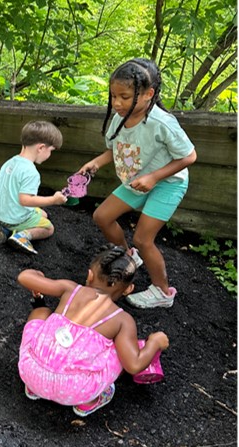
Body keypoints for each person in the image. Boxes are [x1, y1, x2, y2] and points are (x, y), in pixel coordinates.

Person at [77, 58, 199, 309]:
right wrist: (97, 163)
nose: (117, 103)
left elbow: (189, 156)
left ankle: (163, 292)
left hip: (167, 183)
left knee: (144, 239)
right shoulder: (119, 117)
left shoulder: (162, 123)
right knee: (102, 216)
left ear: (149, 94)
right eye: (113, 96)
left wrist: (154, 177)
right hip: (137, 180)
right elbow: (114, 150)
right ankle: (129, 257)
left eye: (124, 96)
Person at [16, 246, 170, 416]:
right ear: (128, 289)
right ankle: (89, 401)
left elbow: (24, 277)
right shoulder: (122, 320)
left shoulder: (69, 289)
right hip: (76, 391)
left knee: (41, 312)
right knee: (121, 350)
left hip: (30, 372)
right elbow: (133, 365)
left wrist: (38, 275)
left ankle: (34, 389)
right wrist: (155, 342)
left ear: (89, 275)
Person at [0, 121, 69, 253]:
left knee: (43, 214)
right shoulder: (31, 172)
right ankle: (21, 236)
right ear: (41, 148)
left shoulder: (10, 162)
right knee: (49, 228)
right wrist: (53, 200)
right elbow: (25, 201)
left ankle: (2, 226)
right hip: (15, 218)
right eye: (51, 151)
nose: (50, 155)